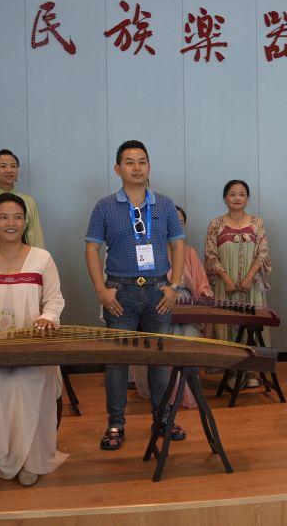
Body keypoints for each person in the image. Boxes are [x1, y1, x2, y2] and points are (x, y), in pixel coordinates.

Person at [85, 140, 187, 451]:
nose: (137, 167)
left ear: (149, 167)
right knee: (118, 362)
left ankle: (163, 418)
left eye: (142, 161)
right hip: (120, 293)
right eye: (129, 162)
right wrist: (100, 290)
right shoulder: (105, 206)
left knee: (159, 359)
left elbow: (178, 244)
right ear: (118, 169)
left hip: (158, 292)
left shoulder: (165, 204)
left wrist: (174, 286)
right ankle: (115, 423)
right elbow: (91, 248)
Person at [0, 193, 67, 487]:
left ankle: (32, 460)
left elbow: (54, 299)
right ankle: (2, 457)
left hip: (34, 347)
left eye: (17, 217)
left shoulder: (42, 258)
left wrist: (48, 317)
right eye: (3, 217)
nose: (11, 223)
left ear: (25, 222)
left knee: (32, 393)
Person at [131, 206, 207, 408]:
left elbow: (201, 283)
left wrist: (205, 293)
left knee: (189, 336)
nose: (176, 226)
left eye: (180, 223)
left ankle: (187, 392)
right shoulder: (148, 250)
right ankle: (167, 394)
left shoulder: (189, 252)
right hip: (159, 304)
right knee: (170, 338)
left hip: (186, 306)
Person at [203, 180, 272, 386]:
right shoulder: (215, 224)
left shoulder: (257, 223)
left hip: (252, 285)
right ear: (225, 198)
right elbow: (210, 255)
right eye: (232, 194)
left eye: (241, 194)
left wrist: (249, 277)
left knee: (252, 325)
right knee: (227, 325)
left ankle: (251, 372)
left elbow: (263, 252)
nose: (237, 198)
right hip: (226, 286)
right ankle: (231, 372)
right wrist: (226, 279)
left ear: (247, 198)